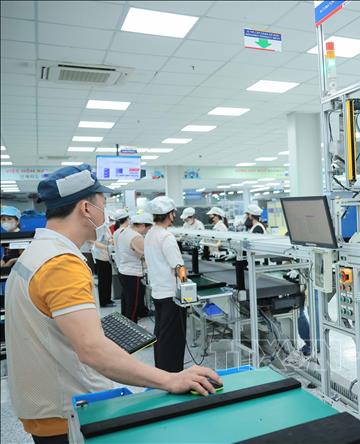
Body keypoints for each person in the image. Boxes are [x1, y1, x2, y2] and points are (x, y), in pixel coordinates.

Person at [5, 165, 220, 444]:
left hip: (45, 405)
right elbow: (93, 351)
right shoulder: (61, 264)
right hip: (68, 414)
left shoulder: (37, 252)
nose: (104, 215)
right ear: (86, 208)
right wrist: (170, 379)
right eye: (103, 206)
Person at [144, 196, 188, 372]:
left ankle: (161, 370)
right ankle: (173, 374)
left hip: (158, 292)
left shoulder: (150, 234)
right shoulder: (166, 237)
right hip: (171, 295)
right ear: (170, 214)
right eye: (173, 213)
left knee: (162, 335)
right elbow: (179, 267)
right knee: (173, 338)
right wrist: (185, 285)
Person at [117, 212, 152, 322]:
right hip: (133, 274)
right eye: (148, 229)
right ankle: (132, 328)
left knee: (127, 302)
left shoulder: (124, 232)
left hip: (124, 272)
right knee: (134, 306)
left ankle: (125, 326)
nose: (147, 232)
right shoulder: (136, 237)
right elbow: (146, 256)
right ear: (142, 225)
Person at [91, 215, 114, 307]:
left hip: (106, 257)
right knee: (103, 280)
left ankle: (108, 299)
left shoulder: (106, 228)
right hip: (101, 257)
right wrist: (107, 247)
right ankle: (103, 301)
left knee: (108, 279)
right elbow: (95, 243)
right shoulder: (100, 229)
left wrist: (111, 241)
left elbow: (108, 239)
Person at [1, 206, 23, 271]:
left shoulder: (21, 237)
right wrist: (3, 260)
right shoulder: (7, 236)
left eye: (9, 219)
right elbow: (5, 254)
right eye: (3, 219)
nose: (6, 222)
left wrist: (10, 262)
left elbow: (23, 258)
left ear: (17, 221)